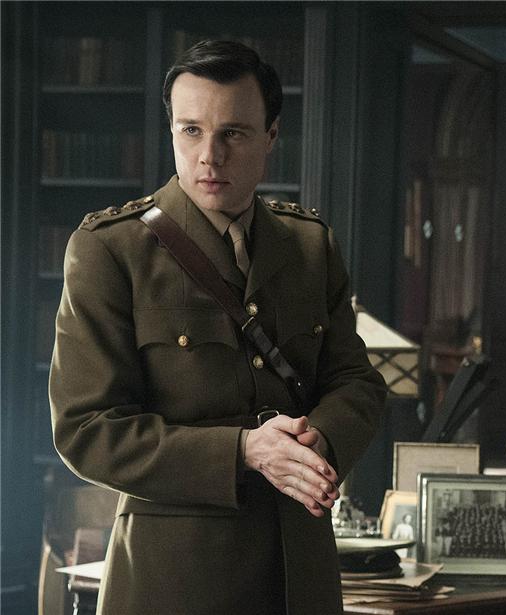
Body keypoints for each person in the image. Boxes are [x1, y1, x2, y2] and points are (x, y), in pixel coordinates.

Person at [49, 40, 387, 615]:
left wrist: (315, 446)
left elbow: (356, 382)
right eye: (191, 130)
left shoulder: (310, 246)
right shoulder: (111, 250)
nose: (210, 155)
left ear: (271, 136)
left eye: (233, 133)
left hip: (299, 574)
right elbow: (87, 429)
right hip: (174, 580)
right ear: (171, 132)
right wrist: (245, 451)